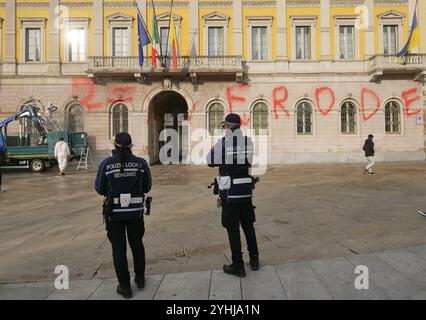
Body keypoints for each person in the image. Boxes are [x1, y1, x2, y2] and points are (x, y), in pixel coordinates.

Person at [95, 132, 152, 299]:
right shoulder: (140, 163)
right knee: (137, 244)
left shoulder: (106, 164)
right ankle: (140, 278)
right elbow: (146, 186)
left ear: (115, 145)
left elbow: (99, 188)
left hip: (114, 213)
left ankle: (125, 286)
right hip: (135, 212)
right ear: (131, 145)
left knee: (118, 248)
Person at [207, 113, 259, 278]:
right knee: (248, 226)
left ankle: (238, 265)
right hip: (246, 191)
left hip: (230, 193)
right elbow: (249, 160)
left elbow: (210, 161)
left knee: (233, 229)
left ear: (228, 127)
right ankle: (255, 260)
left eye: (224, 126)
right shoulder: (248, 142)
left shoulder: (223, 143)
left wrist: (216, 148)